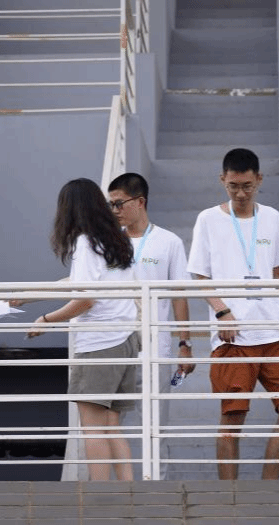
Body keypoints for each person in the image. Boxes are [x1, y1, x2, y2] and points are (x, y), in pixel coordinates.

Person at [186, 148, 279, 480]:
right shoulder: (208, 219)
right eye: (233, 186)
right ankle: (231, 498)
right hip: (234, 335)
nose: (240, 194)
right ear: (222, 180)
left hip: (275, 331)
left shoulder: (272, 218)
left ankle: (268, 488)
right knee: (232, 417)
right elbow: (200, 276)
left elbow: (277, 272)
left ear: (259, 180)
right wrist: (222, 311)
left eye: (247, 186)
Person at [27, 178, 138, 481]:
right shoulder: (118, 241)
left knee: (92, 428)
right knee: (112, 426)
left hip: (99, 343)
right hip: (126, 340)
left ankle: (99, 496)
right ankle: (129, 492)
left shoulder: (86, 243)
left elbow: (86, 299)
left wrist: (46, 320)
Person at [107, 172, 194, 479]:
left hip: (156, 348)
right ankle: (114, 488)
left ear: (140, 202)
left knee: (156, 426)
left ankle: (158, 487)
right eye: (111, 204)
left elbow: (179, 294)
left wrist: (185, 344)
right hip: (114, 346)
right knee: (110, 423)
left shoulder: (169, 242)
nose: (114, 210)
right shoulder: (108, 242)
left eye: (119, 203)